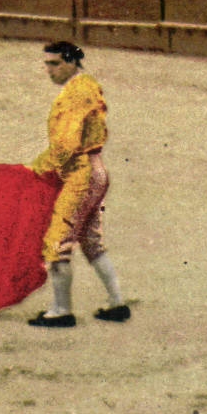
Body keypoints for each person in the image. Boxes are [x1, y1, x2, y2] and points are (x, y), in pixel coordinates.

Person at [27, 41, 129, 328]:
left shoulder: (77, 92)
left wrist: (38, 168)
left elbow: (67, 144)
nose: (49, 70)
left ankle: (61, 310)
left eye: (55, 64)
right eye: (46, 64)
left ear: (72, 62)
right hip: (93, 170)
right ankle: (117, 303)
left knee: (57, 239)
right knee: (90, 240)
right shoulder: (84, 87)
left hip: (80, 174)